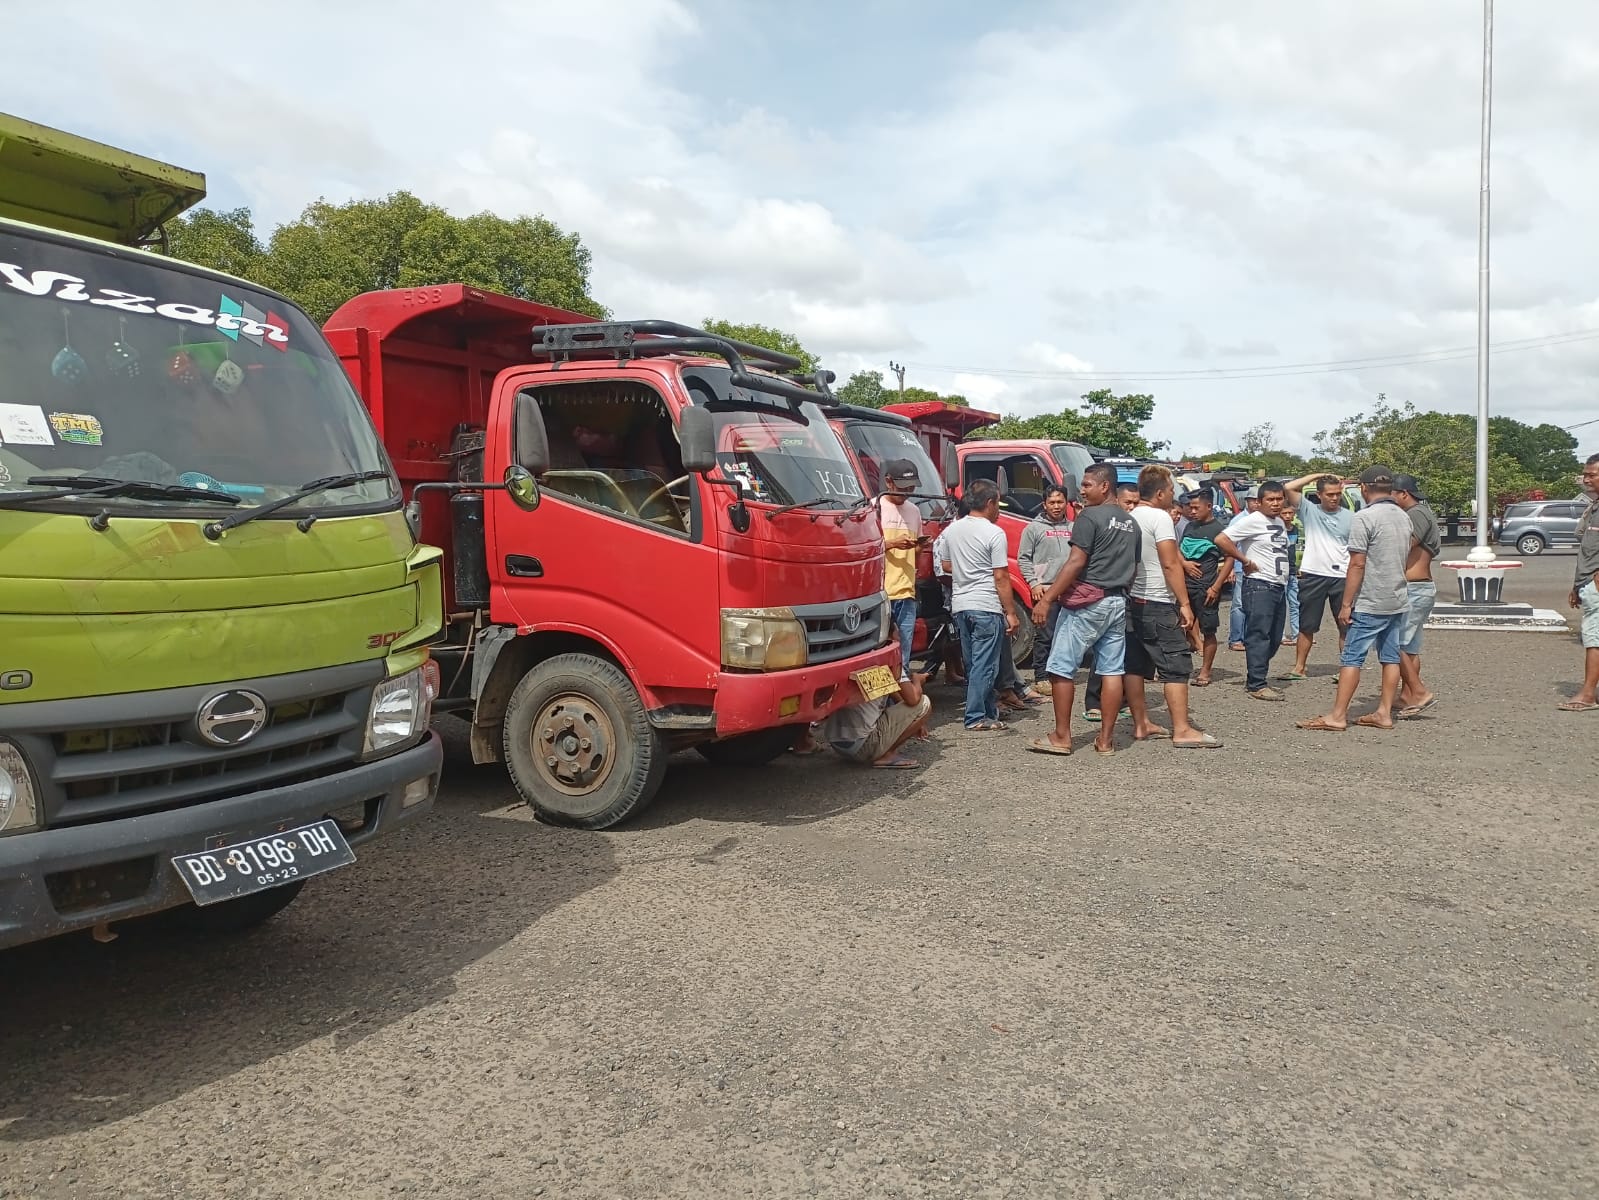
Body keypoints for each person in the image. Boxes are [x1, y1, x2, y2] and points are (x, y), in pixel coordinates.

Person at [1028, 463, 1138, 756]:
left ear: (1105, 486)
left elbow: (1076, 561)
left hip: (1088, 603)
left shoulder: (1089, 516)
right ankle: (1105, 740)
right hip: (1117, 602)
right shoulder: (1131, 522)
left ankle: (1062, 736)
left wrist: (1047, 598)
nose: (1082, 490)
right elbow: (1133, 568)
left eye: (1087, 485)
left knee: (1061, 668)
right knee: (1111, 671)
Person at [1296, 465, 1414, 732]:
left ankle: (1338, 715)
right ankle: (1384, 711)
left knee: (1352, 657)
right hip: (1396, 596)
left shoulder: (1364, 517)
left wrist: (1347, 603)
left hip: (1371, 598)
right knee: (1390, 656)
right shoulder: (1403, 515)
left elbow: (1357, 564)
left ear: (1363, 487)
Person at [1123, 466, 1220, 748]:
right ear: (1162, 492)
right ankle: (1182, 729)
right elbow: (1170, 563)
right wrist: (1185, 604)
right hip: (1157, 600)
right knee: (1177, 664)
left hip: (1133, 600)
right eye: (1171, 490)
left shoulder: (1129, 516)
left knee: (1135, 664)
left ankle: (1141, 723)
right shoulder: (1159, 518)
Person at [940, 480, 1021, 733]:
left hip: (961, 605)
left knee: (974, 663)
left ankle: (988, 712)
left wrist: (967, 570)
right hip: (986, 604)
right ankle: (975, 716)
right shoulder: (994, 533)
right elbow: (1001, 576)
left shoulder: (953, 529)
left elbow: (945, 565)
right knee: (987, 664)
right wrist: (1011, 612)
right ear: (989, 503)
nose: (999, 510)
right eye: (998, 504)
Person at [1215, 480, 1290, 701]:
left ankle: (1257, 674)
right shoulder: (1252, 520)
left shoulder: (1278, 521)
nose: (1276, 503)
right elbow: (1222, 539)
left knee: (1275, 637)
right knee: (1259, 634)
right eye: (1270, 499)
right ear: (1259, 502)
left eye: (1279, 499)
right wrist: (1244, 560)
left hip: (1278, 584)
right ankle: (1257, 683)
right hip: (1259, 584)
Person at [1282, 473, 1353, 681]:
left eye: (1338, 494)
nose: (1334, 498)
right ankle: (1299, 668)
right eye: (1330, 494)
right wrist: (1319, 475)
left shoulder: (1351, 517)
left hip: (1342, 575)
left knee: (1345, 625)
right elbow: (1288, 487)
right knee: (1307, 625)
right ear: (1319, 495)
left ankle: (1346, 670)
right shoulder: (1309, 510)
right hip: (1314, 574)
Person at [819, 641, 933, 769]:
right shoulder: (889, 658)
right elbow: (914, 699)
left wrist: (913, 720)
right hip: (863, 747)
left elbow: (894, 692)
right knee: (924, 703)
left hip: (838, 744)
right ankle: (887, 755)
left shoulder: (857, 652)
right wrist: (917, 680)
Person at [1083, 481, 1141, 722]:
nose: (1132, 507)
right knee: (1102, 653)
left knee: (1121, 655)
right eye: (1128, 502)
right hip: (1100, 596)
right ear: (1116, 498)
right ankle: (1094, 701)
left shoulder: (1134, 525)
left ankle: (1122, 702)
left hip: (1127, 595)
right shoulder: (1098, 521)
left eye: (1136, 503)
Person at [1392, 474, 1440, 718]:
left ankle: (1419, 692)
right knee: (1409, 647)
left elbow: (1406, 544)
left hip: (1414, 587)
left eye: (1391, 493)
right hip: (1418, 587)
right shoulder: (1420, 512)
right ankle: (1407, 695)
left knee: (1393, 643)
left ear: (1403, 493)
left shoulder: (1415, 514)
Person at [1018, 485, 1074, 694]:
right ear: (1044, 504)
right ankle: (1041, 677)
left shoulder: (1074, 527)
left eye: (1060, 502)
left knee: (1066, 636)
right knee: (1045, 635)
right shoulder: (1033, 528)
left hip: (1069, 591)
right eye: (1052, 502)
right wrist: (1034, 583)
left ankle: (1058, 674)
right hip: (1045, 591)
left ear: (1066, 503)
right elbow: (1023, 558)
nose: (1056, 506)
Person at [1179, 487, 1232, 687]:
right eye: (1189, 508)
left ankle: (1205, 671)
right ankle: (1179, 668)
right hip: (1185, 586)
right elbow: (1178, 549)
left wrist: (1216, 586)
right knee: (1181, 626)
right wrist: (1184, 564)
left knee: (1208, 630)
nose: (1192, 511)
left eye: (1196, 507)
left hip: (1206, 587)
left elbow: (1229, 560)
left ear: (1209, 506)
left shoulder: (1219, 530)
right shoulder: (1189, 527)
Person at [1559, 453, 1599, 711]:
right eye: (1585, 474)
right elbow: (1588, 547)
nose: (1586, 480)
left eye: (1592, 475)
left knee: (1594, 638)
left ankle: (1587, 694)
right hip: (1588, 581)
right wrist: (1577, 585)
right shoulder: (1593, 507)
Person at [878, 459, 924, 676]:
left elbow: (914, 554)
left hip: (906, 592)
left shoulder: (914, 511)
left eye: (911, 488)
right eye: (902, 487)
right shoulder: (874, 508)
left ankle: (900, 705)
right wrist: (894, 544)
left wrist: (920, 546)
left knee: (904, 655)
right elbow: (866, 549)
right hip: (881, 595)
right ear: (888, 481)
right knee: (879, 653)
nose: (907, 492)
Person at [1227, 486, 1260, 650]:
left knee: (1252, 605)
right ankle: (1236, 639)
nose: (1256, 503)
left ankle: (1248, 637)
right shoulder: (1239, 520)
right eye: (1253, 500)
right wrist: (1231, 568)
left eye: (1257, 500)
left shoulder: (1262, 520)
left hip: (1256, 569)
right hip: (1240, 568)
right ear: (1247, 501)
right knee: (1239, 604)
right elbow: (1229, 545)